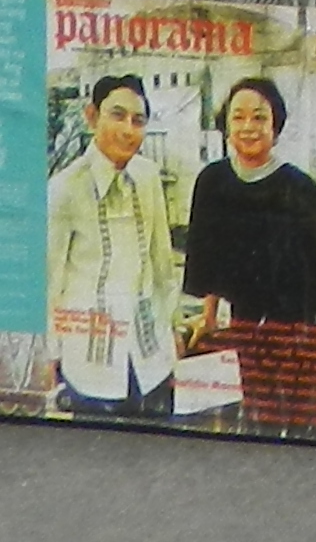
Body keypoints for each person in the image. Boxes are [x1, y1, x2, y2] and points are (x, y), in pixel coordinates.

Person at [181, 75, 316, 440]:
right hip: (248, 327)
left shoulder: (298, 186)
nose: (248, 127)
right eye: (238, 117)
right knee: (260, 422)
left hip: (301, 327)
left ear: (276, 125)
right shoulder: (212, 182)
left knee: (306, 427)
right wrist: (207, 316)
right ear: (225, 125)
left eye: (259, 117)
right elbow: (207, 256)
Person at [51, 73, 192, 420]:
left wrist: (173, 328)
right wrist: (49, 356)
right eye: (117, 115)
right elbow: (48, 284)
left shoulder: (148, 177)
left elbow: (162, 264)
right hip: (90, 364)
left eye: (138, 120)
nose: (128, 130)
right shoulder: (65, 188)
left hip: (151, 358)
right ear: (91, 116)